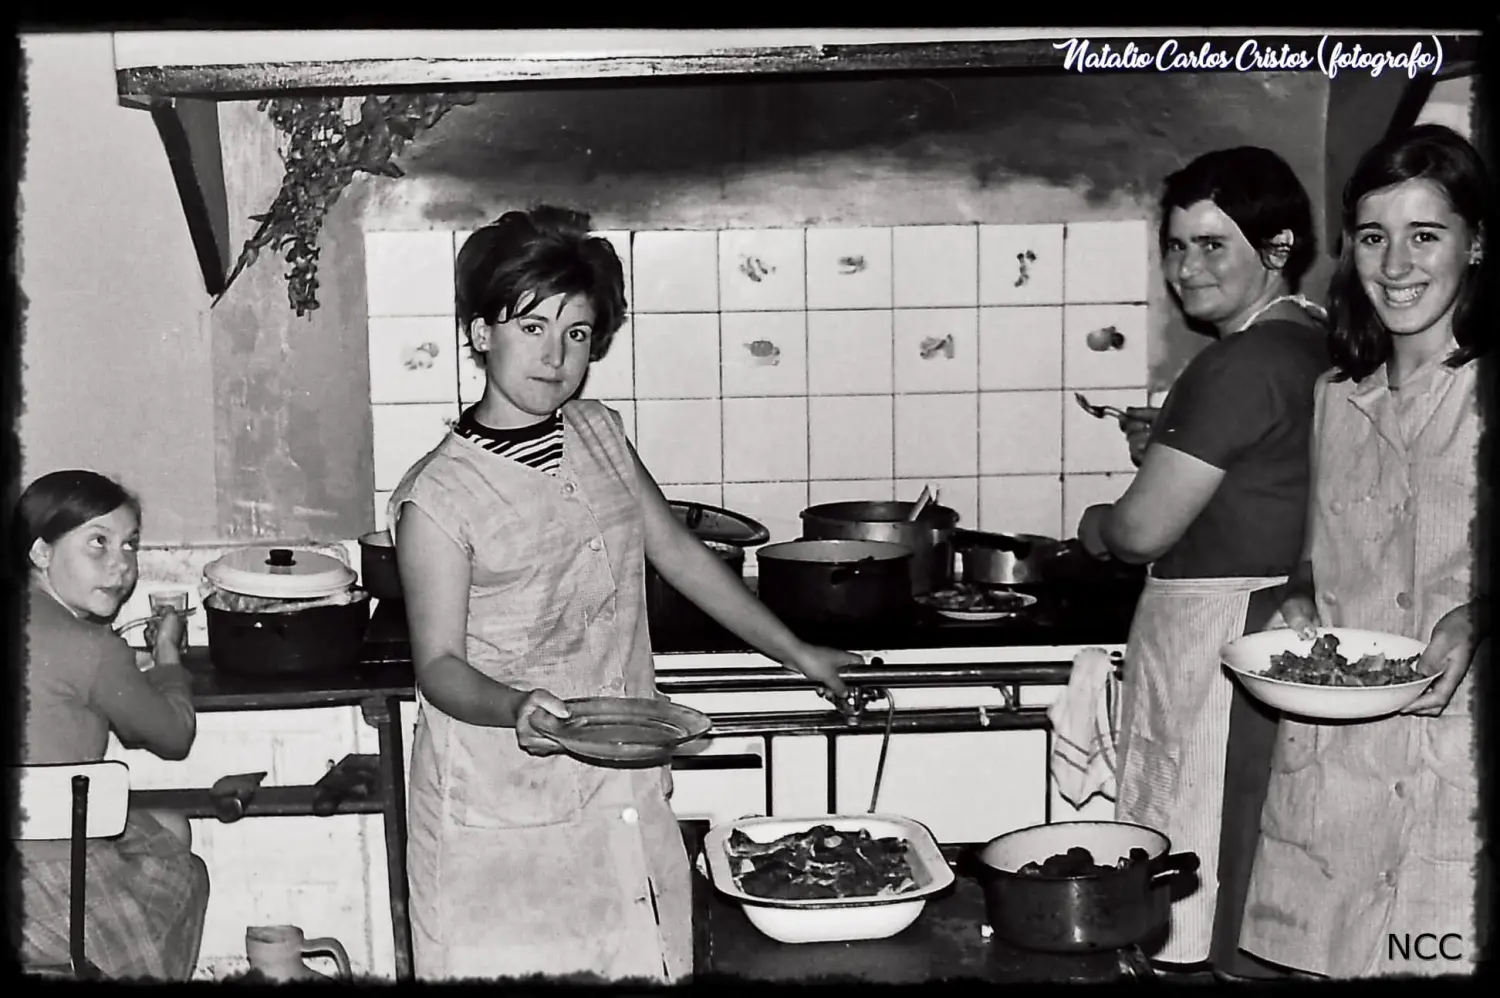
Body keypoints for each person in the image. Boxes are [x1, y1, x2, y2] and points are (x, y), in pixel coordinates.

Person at [390, 205, 860, 983]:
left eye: (576, 334)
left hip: (619, 782)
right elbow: (437, 665)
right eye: (532, 327)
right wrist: (515, 706)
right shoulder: (439, 496)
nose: (555, 357)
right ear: (480, 333)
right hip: (500, 796)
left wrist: (798, 652)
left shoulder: (599, 431)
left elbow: (676, 551)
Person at [1074, 147, 1331, 977]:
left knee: (1205, 859)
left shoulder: (1238, 362)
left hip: (1222, 642)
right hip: (1281, 634)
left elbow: (1143, 533)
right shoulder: (1313, 341)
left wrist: (1095, 525)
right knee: (1260, 865)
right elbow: (1272, 475)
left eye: (1214, 245)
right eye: (1177, 246)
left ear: (1279, 246)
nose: (1188, 268)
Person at [1241, 124, 1490, 979]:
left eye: (1426, 235)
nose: (1395, 265)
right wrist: (1300, 599)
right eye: (1374, 238)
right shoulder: (1334, 399)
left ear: (1478, 241)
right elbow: (1318, 557)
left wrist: (1476, 612)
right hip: (1338, 772)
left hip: (1459, 774)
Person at [13, 469, 209, 980]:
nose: (121, 565)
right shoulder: (95, 649)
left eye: (130, 544)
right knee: (184, 870)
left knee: (165, 825)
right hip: (47, 892)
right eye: (97, 543)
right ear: (40, 552)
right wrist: (167, 659)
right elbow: (173, 734)